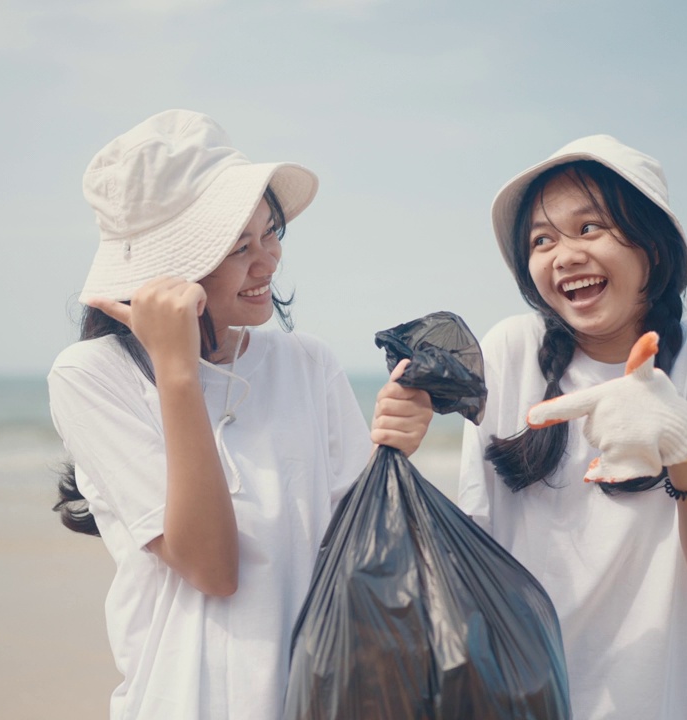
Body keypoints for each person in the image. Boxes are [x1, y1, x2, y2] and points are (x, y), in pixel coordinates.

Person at [47, 110, 430, 720]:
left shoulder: (308, 363)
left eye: (270, 233)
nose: (268, 262)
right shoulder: (91, 375)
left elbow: (368, 555)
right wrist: (178, 372)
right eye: (237, 246)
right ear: (160, 272)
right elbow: (212, 567)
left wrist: (395, 452)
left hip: (319, 696)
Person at [455, 135, 687, 720]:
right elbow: (475, 547)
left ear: (651, 245)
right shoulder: (510, 350)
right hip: (510, 697)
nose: (564, 255)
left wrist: (684, 442)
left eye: (589, 228)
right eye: (541, 240)